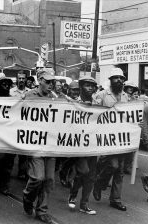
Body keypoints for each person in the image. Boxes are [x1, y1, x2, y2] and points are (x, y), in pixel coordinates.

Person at [22, 68, 57, 224]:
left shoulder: (55, 98)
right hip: (34, 142)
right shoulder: (29, 96)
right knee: (37, 177)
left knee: (49, 179)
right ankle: (28, 197)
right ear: (40, 80)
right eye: (48, 81)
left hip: (50, 143)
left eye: (52, 82)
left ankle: (42, 211)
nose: (51, 85)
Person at [92, 67, 129, 211]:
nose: (119, 80)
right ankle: (99, 183)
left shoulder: (126, 97)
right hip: (106, 137)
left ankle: (115, 199)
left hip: (122, 138)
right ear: (111, 80)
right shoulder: (101, 95)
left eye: (121, 78)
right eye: (116, 78)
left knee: (119, 170)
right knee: (112, 165)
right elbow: (94, 114)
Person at [67, 76, 98, 215]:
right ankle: (73, 193)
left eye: (92, 86)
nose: (90, 88)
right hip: (79, 144)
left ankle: (84, 204)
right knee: (83, 171)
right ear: (81, 87)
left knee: (91, 176)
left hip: (94, 144)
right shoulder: (74, 103)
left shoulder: (98, 102)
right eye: (87, 85)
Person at [10, 70, 30, 180]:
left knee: (24, 152)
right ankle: (9, 171)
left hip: (25, 125)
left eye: (23, 78)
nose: (21, 80)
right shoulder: (11, 92)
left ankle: (22, 172)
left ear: (26, 79)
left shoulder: (31, 92)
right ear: (17, 79)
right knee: (12, 151)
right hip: (13, 125)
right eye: (20, 78)